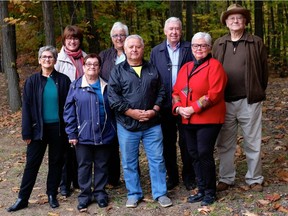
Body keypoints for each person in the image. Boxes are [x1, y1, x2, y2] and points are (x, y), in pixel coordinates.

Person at [108, 35, 172, 208]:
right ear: (125, 49)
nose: (134, 50)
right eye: (131, 47)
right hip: (127, 125)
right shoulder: (118, 71)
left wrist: (154, 110)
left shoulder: (152, 68)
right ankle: (134, 194)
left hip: (152, 124)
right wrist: (131, 113)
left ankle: (160, 193)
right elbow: (113, 97)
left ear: (143, 49)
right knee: (129, 161)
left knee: (157, 159)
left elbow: (162, 92)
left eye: (138, 47)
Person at [7, 46, 71, 212]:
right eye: (44, 57)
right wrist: (26, 131)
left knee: (56, 163)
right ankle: (23, 197)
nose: (47, 59)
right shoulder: (32, 81)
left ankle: (52, 194)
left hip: (58, 129)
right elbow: (27, 108)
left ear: (55, 60)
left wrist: (70, 130)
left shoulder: (64, 80)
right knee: (32, 164)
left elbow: (70, 107)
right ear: (39, 60)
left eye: (50, 57)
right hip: (37, 130)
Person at [212, 4, 268, 192]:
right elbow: (213, 72)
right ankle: (226, 178)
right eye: (231, 18)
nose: (235, 21)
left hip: (249, 100)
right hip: (224, 102)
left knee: (252, 141)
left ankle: (255, 179)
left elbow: (263, 72)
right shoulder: (219, 43)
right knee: (225, 142)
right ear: (226, 22)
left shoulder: (256, 42)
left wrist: (258, 92)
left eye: (239, 18)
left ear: (245, 22)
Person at [172, 32, 227, 206]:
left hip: (208, 119)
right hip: (187, 119)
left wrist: (192, 108)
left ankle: (210, 192)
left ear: (209, 48)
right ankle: (201, 188)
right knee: (193, 154)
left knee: (204, 153)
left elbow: (214, 93)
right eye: (195, 45)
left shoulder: (215, 66)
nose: (199, 49)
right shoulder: (186, 67)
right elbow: (176, 92)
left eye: (203, 45)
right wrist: (179, 108)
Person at [64, 53, 116, 212]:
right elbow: (69, 112)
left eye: (95, 64)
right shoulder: (75, 86)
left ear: (99, 67)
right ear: (84, 67)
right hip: (83, 136)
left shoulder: (106, 86)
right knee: (84, 166)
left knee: (101, 165)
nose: (92, 67)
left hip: (104, 133)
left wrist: (113, 129)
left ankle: (100, 194)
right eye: (89, 64)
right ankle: (85, 196)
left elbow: (114, 110)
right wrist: (72, 133)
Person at [150, 17, 196, 190]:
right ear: (165, 31)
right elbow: (153, 77)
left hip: (185, 104)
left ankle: (189, 176)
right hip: (164, 104)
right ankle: (173, 176)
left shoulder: (189, 48)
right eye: (171, 29)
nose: (174, 32)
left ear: (181, 30)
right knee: (167, 143)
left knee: (186, 142)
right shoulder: (156, 51)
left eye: (177, 28)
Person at [54, 25, 87, 197]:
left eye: (75, 38)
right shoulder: (58, 60)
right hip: (65, 109)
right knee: (66, 148)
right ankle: (64, 183)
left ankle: (78, 180)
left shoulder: (86, 58)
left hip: (84, 109)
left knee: (80, 147)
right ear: (64, 40)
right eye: (69, 38)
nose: (72, 41)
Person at [99, 21, 129, 186]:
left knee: (128, 143)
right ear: (112, 38)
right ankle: (113, 178)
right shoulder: (104, 56)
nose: (119, 38)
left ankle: (132, 176)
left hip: (129, 106)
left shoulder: (133, 52)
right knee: (110, 142)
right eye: (116, 35)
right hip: (109, 105)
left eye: (122, 35)